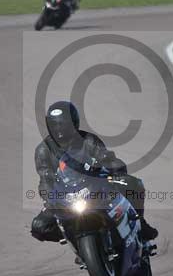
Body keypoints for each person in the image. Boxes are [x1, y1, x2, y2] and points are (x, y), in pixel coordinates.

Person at [31, 100, 158, 243]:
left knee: (134, 184)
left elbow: (106, 158)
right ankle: (77, 241)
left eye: (63, 124)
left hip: (95, 189)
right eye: (55, 125)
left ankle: (140, 223)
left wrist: (114, 167)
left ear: (73, 123)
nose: (59, 129)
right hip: (65, 197)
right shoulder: (43, 150)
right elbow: (45, 178)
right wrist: (50, 199)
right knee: (39, 227)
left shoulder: (88, 140)